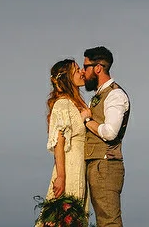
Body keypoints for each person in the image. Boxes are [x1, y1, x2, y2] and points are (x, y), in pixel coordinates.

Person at [77, 46, 129, 227]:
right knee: (103, 220)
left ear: (98, 68)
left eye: (86, 67)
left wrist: (87, 120)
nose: (82, 72)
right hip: (98, 164)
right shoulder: (99, 96)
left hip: (106, 164)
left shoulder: (115, 94)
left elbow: (110, 132)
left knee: (109, 221)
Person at [44, 59, 90, 205]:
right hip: (70, 166)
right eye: (77, 70)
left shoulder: (73, 104)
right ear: (68, 78)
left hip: (79, 164)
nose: (82, 72)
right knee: (67, 210)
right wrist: (61, 176)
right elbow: (59, 141)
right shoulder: (63, 104)